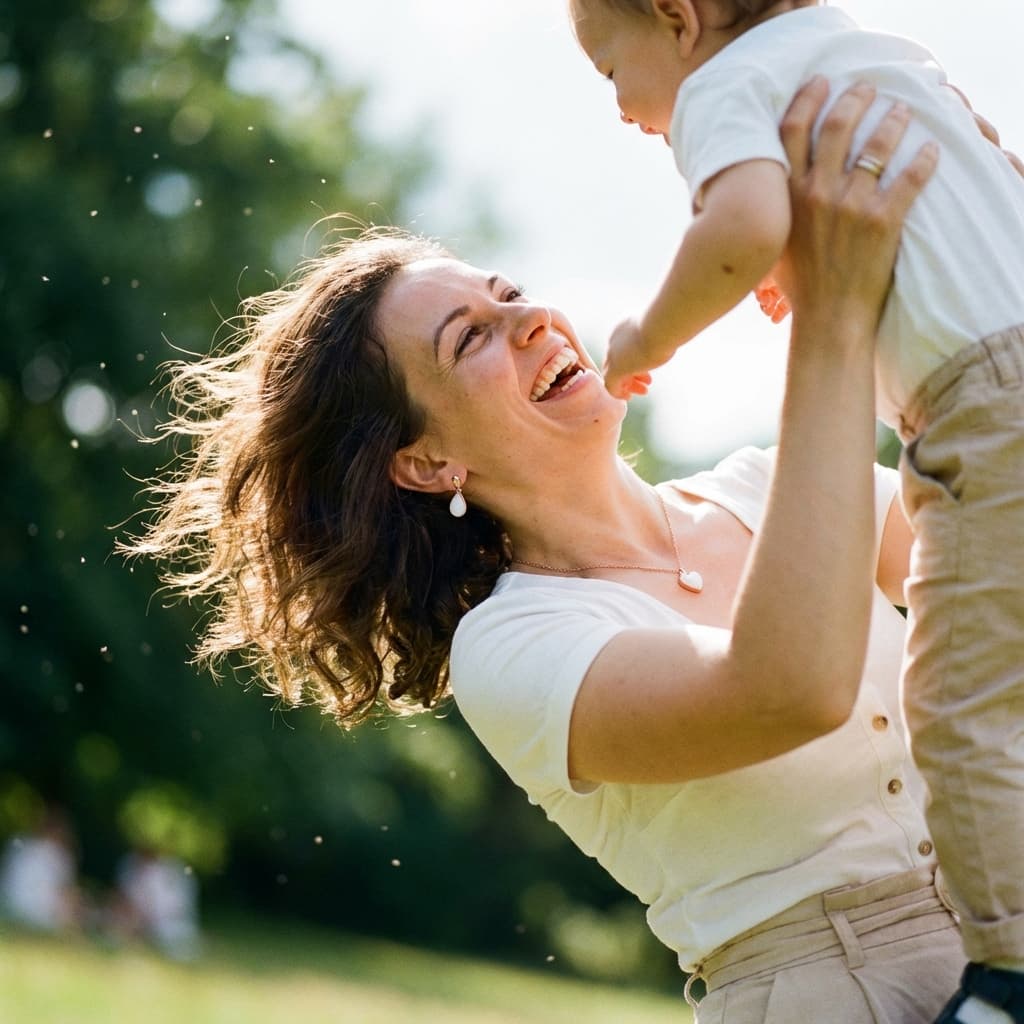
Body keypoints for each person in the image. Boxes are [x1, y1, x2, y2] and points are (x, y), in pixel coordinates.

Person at [130, 82, 958, 1021]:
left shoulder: (767, 485)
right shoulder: (515, 648)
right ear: (424, 459)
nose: (529, 321)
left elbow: (994, 562)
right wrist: (833, 327)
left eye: (509, 293)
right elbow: (785, 691)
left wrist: (947, 249)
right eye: (470, 337)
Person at [567, 2, 1024, 1020]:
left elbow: (735, 229)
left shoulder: (723, 85)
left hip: (983, 413)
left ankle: (1005, 977)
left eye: (608, 70)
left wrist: (648, 334)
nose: (618, 107)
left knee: (958, 710)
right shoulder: (879, 54)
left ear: (678, 20)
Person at [0, 807, 81, 933]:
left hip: (8, 907)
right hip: (41, 916)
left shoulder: (16, 843)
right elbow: (65, 892)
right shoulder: (58, 854)